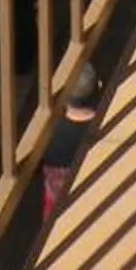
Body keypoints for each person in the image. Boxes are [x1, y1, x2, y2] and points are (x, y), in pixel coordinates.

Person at [41, 62, 104, 223]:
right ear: (99, 87)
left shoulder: (48, 131)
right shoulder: (105, 128)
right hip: (96, 205)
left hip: (55, 213)